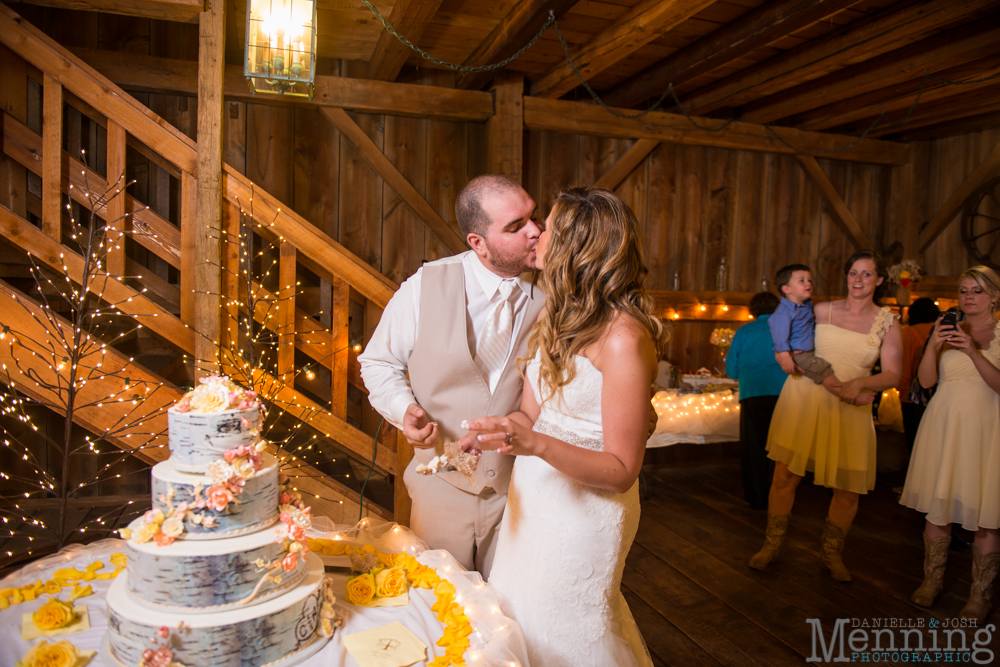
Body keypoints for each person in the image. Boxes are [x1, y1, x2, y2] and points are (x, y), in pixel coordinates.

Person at [460, 187, 663, 667]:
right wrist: (496, 432)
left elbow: (621, 470)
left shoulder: (624, 340)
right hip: (532, 504)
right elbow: (532, 417)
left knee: (565, 630)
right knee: (520, 616)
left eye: (547, 226)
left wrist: (535, 444)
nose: (537, 234)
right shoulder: (556, 315)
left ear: (575, 245)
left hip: (585, 516)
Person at [358, 174, 544, 579]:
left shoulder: (556, 293)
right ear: (478, 242)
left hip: (524, 489)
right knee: (443, 610)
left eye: (534, 217)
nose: (535, 231)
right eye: (515, 227)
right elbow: (378, 362)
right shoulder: (425, 286)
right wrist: (403, 410)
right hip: (440, 483)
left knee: (515, 617)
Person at [748, 250, 902, 581]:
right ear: (846, 277)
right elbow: (785, 331)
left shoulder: (887, 322)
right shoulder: (819, 310)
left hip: (850, 405)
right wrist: (781, 353)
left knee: (847, 487)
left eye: (866, 274)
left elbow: (893, 374)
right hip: (804, 397)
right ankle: (771, 545)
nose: (858, 280)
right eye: (853, 273)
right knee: (784, 476)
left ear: (879, 280)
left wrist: (860, 382)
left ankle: (831, 554)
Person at [900, 266, 1000, 623]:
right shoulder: (945, 328)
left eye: (976, 291)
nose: (968, 297)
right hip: (943, 422)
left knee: (986, 515)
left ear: (994, 296)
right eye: (963, 291)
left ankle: (979, 596)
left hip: (988, 427)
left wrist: (973, 352)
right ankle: (932, 581)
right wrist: (934, 346)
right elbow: (925, 382)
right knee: (938, 505)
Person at [768, 264, 874, 405]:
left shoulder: (805, 306)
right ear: (786, 289)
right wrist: (784, 356)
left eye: (809, 280)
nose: (808, 283)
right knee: (823, 370)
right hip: (799, 355)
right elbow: (779, 337)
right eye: (802, 280)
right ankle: (848, 395)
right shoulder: (783, 313)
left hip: (807, 352)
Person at [726, 292, 787, 510]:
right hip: (785, 395)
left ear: (753, 311)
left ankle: (757, 498)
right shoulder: (786, 330)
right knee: (784, 448)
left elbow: (731, 370)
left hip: (752, 395)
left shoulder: (744, 332)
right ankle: (783, 497)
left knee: (754, 449)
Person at [896, 297, 939, 451]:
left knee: (915, 441)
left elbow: (904, 366)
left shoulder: (908, 333)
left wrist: (902, 390)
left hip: (913, 395)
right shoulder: (940, 331)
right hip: (938, 394)